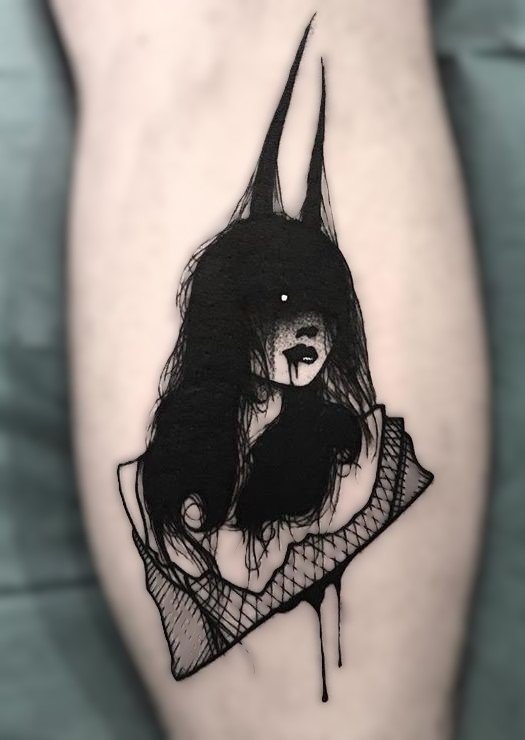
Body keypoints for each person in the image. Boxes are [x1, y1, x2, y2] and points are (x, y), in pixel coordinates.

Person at [52, 1, 489, 737]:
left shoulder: (356, 452)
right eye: (280, 309)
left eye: (319, 314)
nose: (307, 333)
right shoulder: (185, 453)